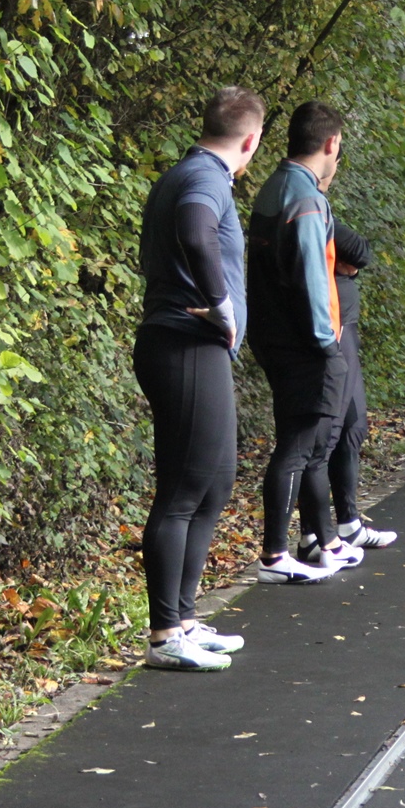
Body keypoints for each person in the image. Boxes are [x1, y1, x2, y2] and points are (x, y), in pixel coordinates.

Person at [134, 86, 265, 672]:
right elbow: (194, 229)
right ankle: (165, 636)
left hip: (193, 348)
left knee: (214, 483)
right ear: (251, 140)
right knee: (183, 491)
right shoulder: (207, 177)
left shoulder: (189, 172)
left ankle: (185, 618)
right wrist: (221, 304)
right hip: (185, 344)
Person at [246, 100, 363, 583]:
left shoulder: (273, 187)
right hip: (305, 343)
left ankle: (319, 542)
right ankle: (276, 555)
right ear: (331, 143)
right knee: (299, 448)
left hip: (274, 336)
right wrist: (326, 343)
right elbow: (316, 279)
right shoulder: (308, 200)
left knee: (308, 445)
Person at [314, 218, 397, 549]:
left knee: (352, 425)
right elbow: (358, 251)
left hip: (343, 321)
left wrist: (347, 266)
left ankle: (347, 523)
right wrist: (344, 265)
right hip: (333, 325)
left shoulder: (314, 205)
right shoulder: (307, 201)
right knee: (328, 433)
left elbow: (357, 256)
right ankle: (317, 535)